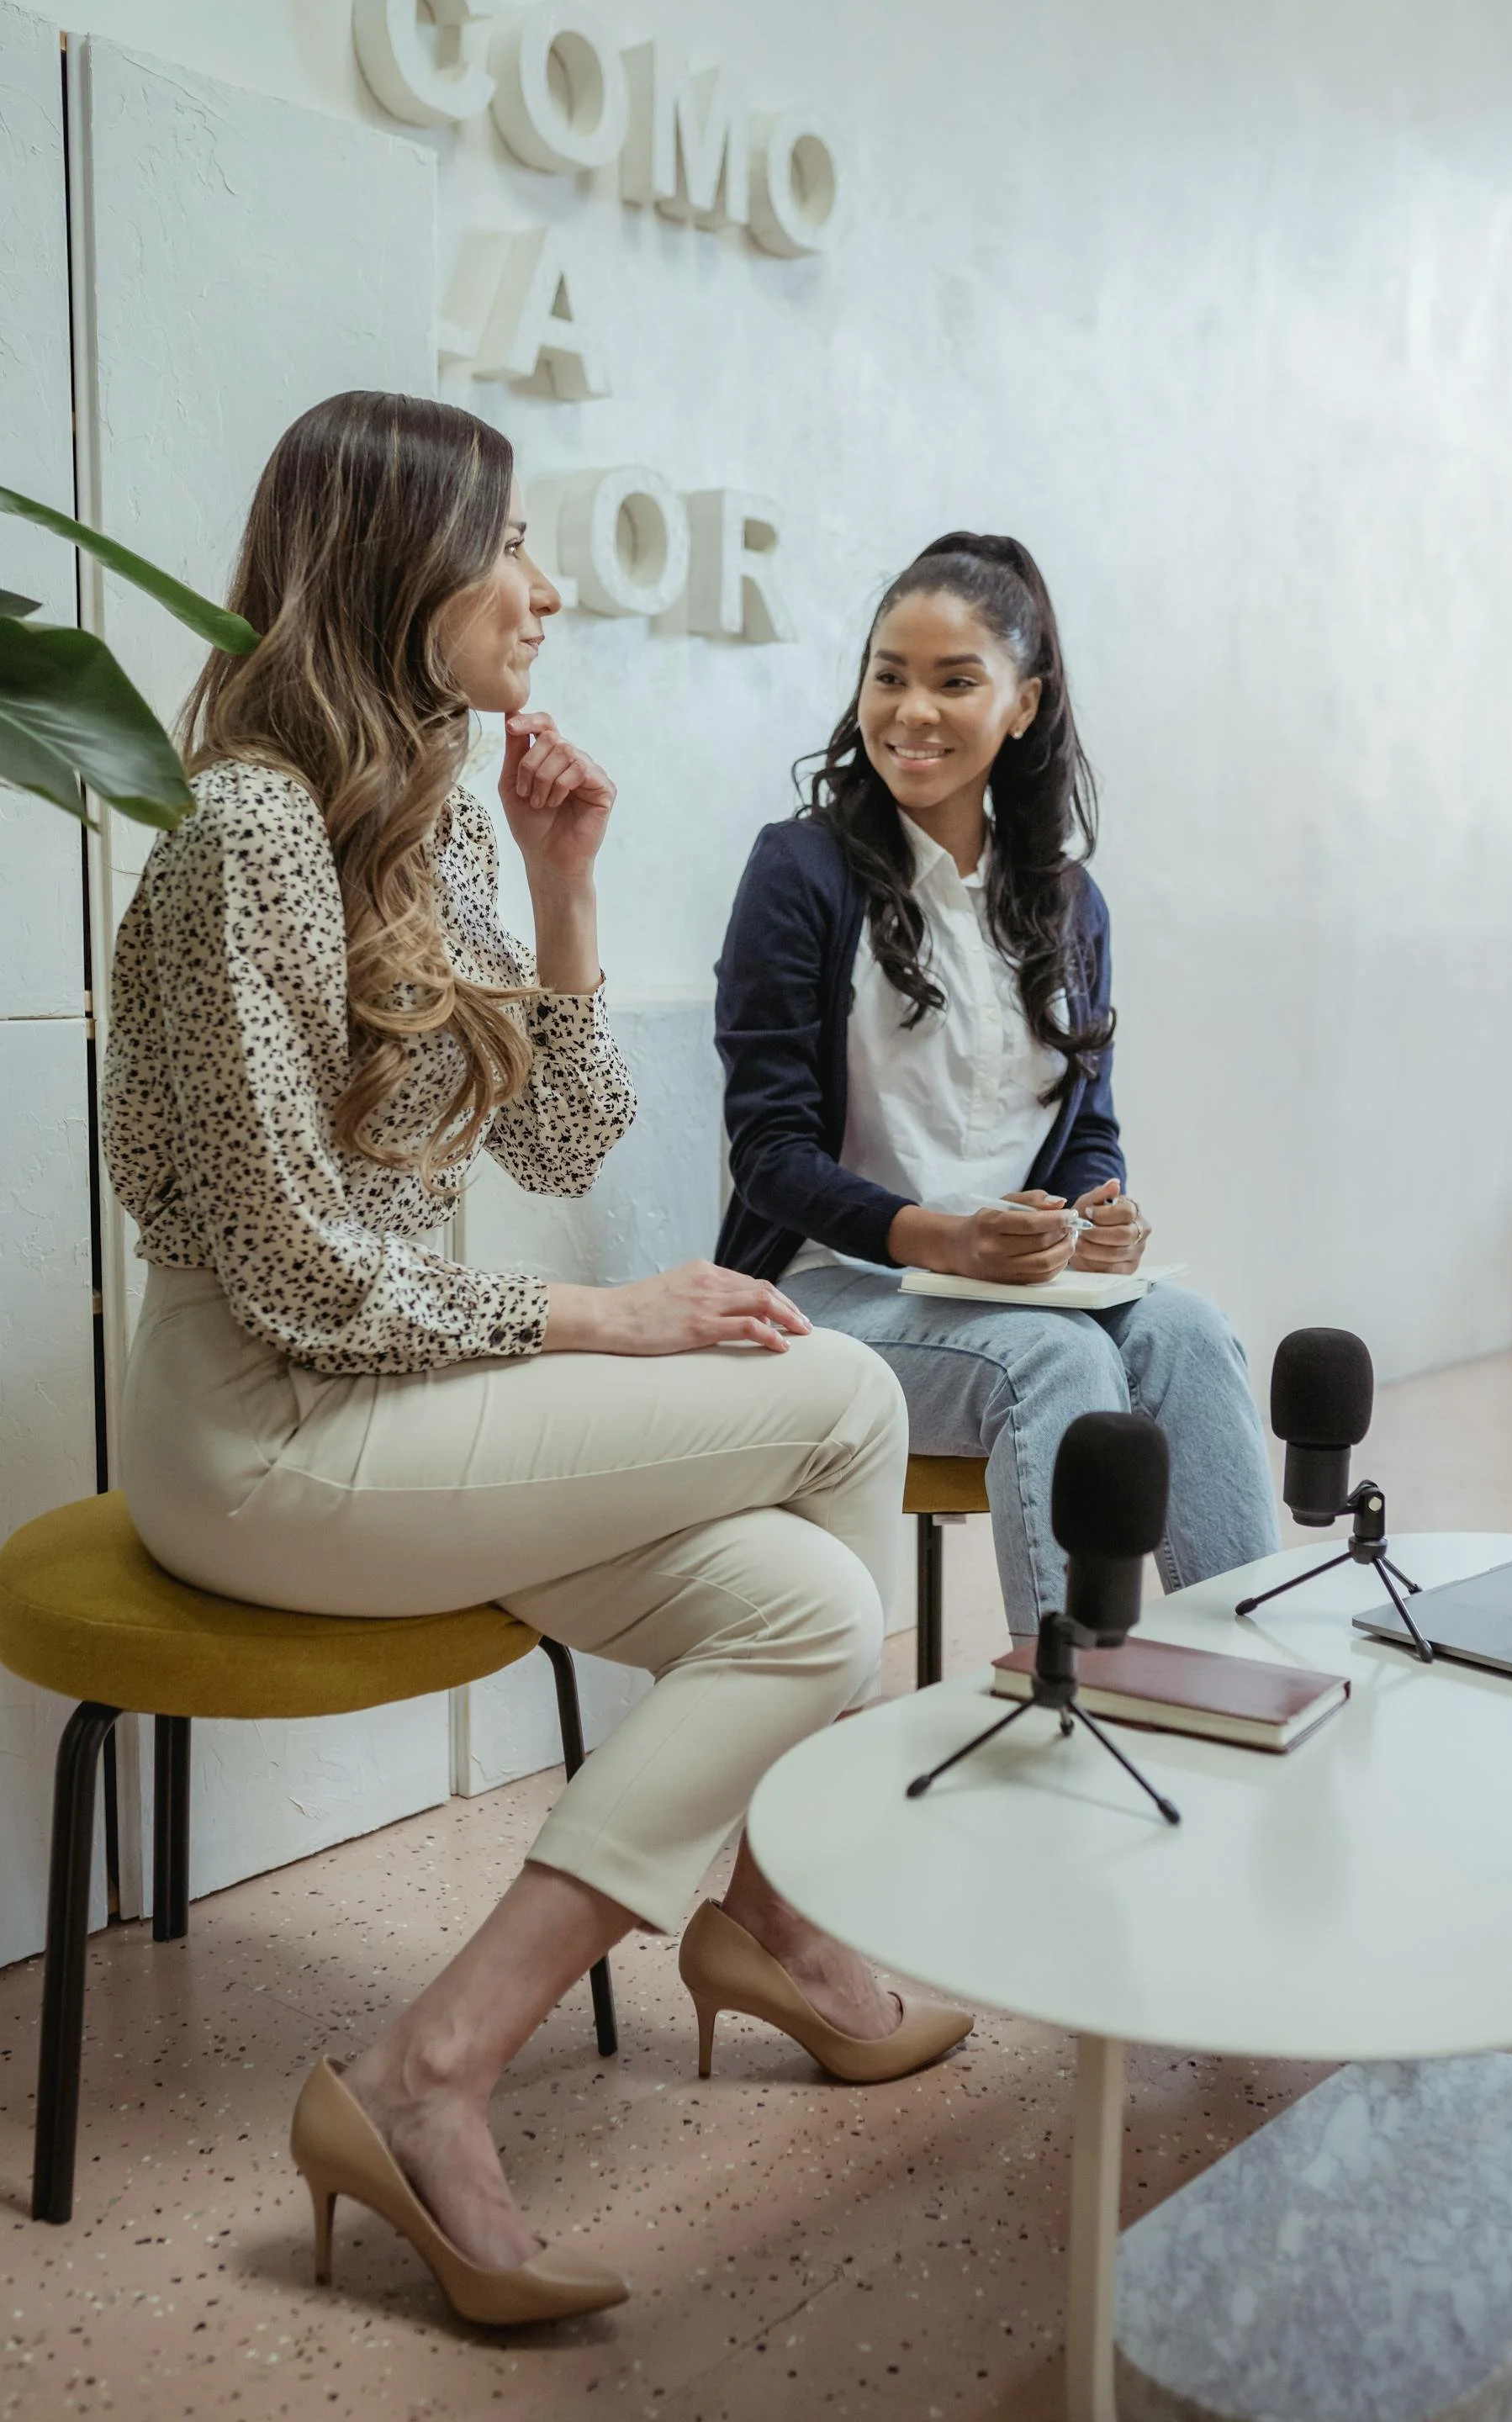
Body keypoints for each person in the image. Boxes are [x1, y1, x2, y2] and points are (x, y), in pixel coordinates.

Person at [103, 394, 969, 2330]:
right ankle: (769, 1916)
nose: (545, 585)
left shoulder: (426, 810)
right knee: (839, 1390)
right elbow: (294, 1272)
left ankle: (447, 2060)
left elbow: (560, 1145)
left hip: (410, 1407)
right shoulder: (249, 829)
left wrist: (564, 882)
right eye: (510, 543)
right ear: (398, 562)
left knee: (816, 1609)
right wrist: (602, 1315)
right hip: (262, 1427)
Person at [714, 532, 1278, 1638]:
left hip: (1011, 1294)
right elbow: (771, 1160)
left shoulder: (1070, 905)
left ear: (1023, 704)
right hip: (826, 1293)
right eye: (889, 674)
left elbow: (1087, 1132)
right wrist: (952, 1243)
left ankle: (1251, 1676)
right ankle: (1080, 1712)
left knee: (1193, 1335)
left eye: (955, 680)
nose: (911, 710)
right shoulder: (801, 871)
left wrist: (1095, 1214)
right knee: (1058, 1356)